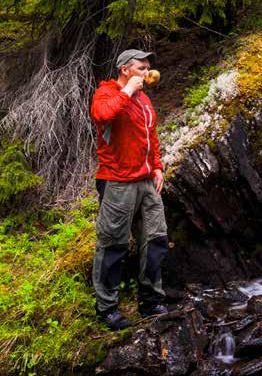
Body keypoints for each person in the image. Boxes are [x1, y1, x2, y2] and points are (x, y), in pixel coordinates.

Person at [90, 49, 169, 330]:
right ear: (125, 69)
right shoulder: (107, 93)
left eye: (149, 67)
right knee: (113, 244)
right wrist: (126, 92)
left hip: (147, 181)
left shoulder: (145, 100)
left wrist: (157, 167)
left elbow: (151, 136)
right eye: (141, 68)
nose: (147, 72)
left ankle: (150, 299)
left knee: (156, 238)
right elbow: (101, 116)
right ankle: (107, 308)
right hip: (117, 181)